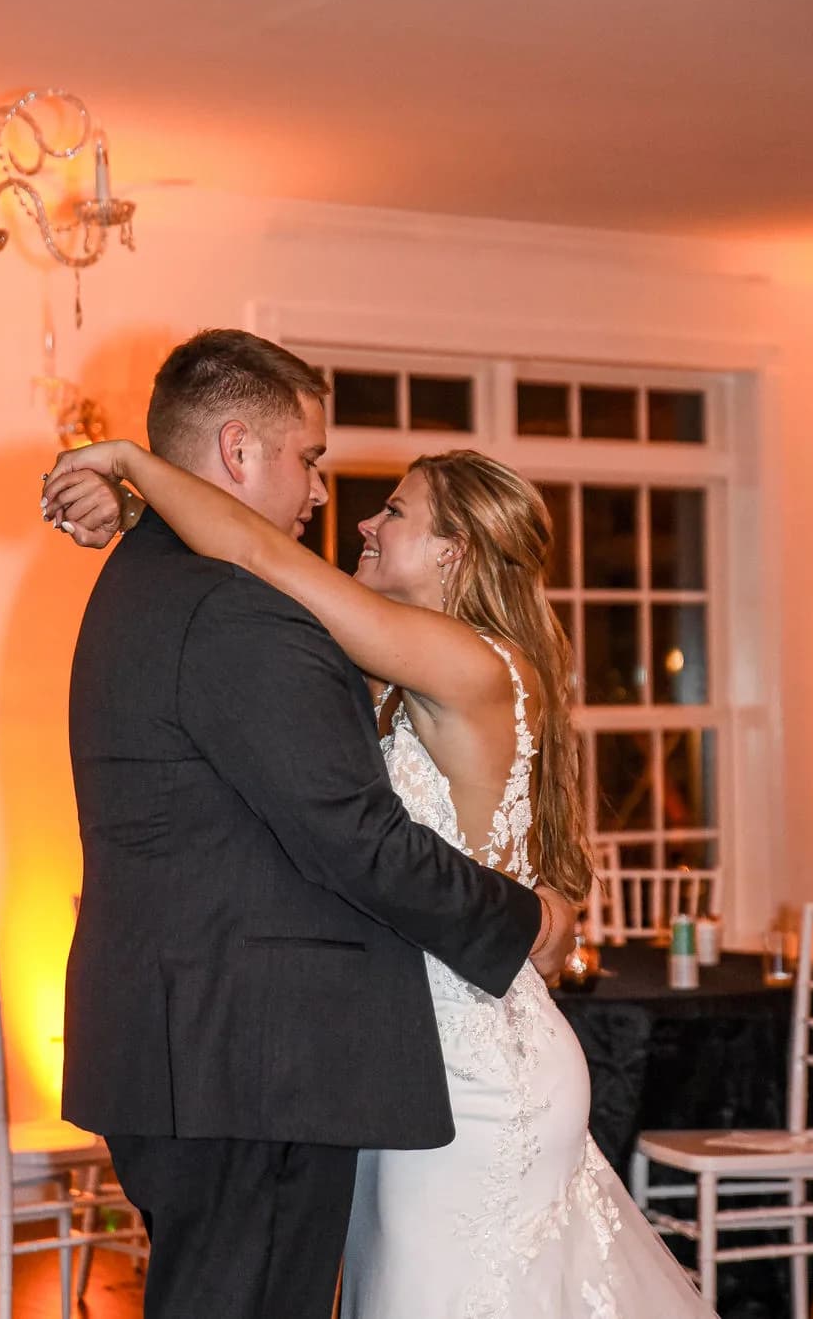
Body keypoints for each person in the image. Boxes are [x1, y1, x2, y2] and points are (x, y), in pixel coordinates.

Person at [46, 360, 716, 1317]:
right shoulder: (386, 669)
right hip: (376, 1055)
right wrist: (140, 503)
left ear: (453, 554)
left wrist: (132, 468)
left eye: (394, 511)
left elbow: (271, 563)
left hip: (468, 1064)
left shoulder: (465, 661)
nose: (351, 510)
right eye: (316, 461)